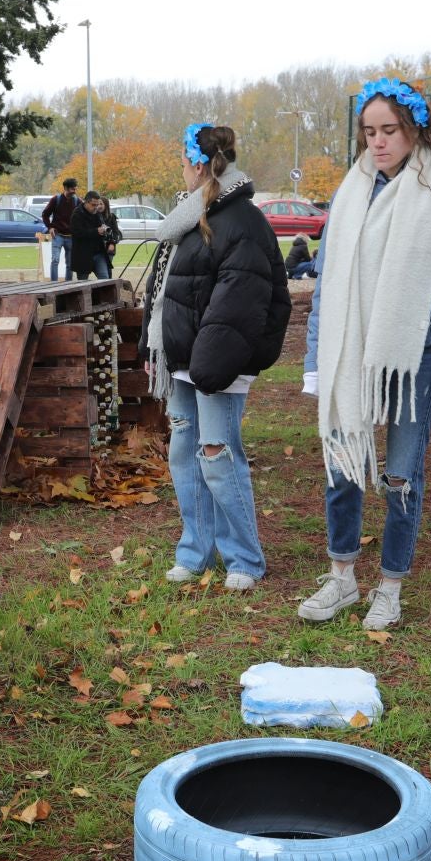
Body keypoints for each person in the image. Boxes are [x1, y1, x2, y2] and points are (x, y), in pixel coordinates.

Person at [298, 79, 431, 631]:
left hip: (414, 360)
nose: (377, 142)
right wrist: (315, 360)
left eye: (389, 131)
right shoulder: (350, 190)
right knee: (343, 466)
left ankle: (390, 586)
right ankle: (342, 577)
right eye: (369, 131)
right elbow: (329, 280)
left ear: (415, 129)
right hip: (348, 353)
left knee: (401, 475)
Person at [143, 123, 289, 592]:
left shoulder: (241, 221)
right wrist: (160, 349)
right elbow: (168, 291)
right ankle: (195, 550)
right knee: (185, 452)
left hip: (217, 364)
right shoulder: (191, 216)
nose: (180, 172)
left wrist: (212, 365)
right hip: (186, 359)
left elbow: (240, 301)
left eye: (184, 163)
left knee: (217, 455)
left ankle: (243, 558)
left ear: (201, 165)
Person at [41, 179, 80, 279]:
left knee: (70, 263)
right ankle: (54, 285)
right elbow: (45, 214)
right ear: (66, 188)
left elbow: (84, 214)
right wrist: (50, 227)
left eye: (75, 189)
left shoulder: (77, 201)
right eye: (72, 189)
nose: (74, 191)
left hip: (71, 237)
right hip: (57, 235)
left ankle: (68, 286)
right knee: (55, 260)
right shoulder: (56, 199)